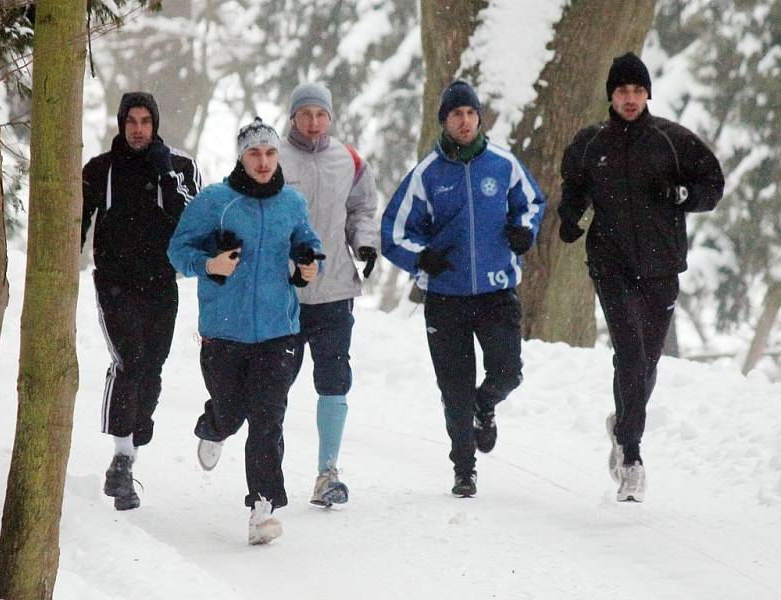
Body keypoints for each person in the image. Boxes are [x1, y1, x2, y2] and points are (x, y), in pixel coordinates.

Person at [558, 52, 724, 502]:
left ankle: (623, 423)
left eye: (637, 90)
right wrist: (570, 219)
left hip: (661, 267)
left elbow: (713, 183)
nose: (630, 99)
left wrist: (683, 194)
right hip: (610, 264)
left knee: (646, 362)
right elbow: (572, 185)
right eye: (621, 91)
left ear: (647, 93)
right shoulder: (592, 144)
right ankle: (632, 457)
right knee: (630, 353)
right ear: (610, 96)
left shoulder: (673, 141)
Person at [381, 80, 545, 498]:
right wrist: (421, 257)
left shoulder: (503, 165)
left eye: (471, 113)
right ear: (445, 121)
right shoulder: (427, 175)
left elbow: (531, 204)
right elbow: (394, 232)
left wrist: (524, 232)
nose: (465, 120)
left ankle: (484, 405)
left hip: (496, 292)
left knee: (508, 372)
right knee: (454, 389)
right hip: (445, 297)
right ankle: (464, 469)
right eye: (457, 114)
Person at [168, 117, 322, 545]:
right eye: (254, 153)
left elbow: (309, 248)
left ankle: (262, 508)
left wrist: (308, 265)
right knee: (233, 412)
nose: (263, 161)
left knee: (268, 419)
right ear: (241, 156)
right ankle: (214, 425)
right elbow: (178, 252)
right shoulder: (216, 200)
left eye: (270, 153)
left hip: (280, 333)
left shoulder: (291, 203)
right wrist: (209, 265)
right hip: (224, 333)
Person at [82, 92, 201, 511]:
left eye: (145, 121)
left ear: (156, 124)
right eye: (131, 120)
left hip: (161, 283)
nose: (138, 129)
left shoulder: (180, 166)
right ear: (120, 123)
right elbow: (74, 223)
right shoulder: (100, 169)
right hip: (115, 284)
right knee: (129, 360)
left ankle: (131, 447)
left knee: (153, 366)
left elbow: (190, 218)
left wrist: (165, 172)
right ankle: (121, 459)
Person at [279, 82, 379, 507]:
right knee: (274, 385)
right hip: (284, 293)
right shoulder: (273, 158)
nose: (314, 122)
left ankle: (328, 472)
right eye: (306, 114)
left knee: (335, 378)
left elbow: (361, 210)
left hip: (335, 288)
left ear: (331, 118)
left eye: (321, 115)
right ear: (293, 118)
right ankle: (269, 471)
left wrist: (366, 245)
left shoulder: (350, 160)